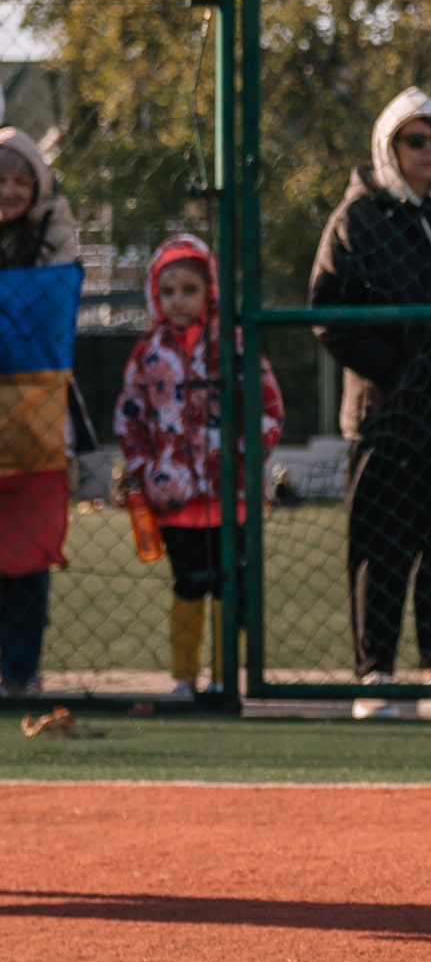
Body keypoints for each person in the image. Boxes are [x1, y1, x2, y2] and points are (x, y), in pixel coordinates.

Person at [310, 87, 431, 722]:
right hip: (382, 419)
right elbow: (329, 315)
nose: (428, 151)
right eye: (413, 139)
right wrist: (397, 372)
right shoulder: (354, 219)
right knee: (379, 551)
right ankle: (376, 681)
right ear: (388, 146)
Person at [113, 235, 283, 700]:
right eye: (167, 291)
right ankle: (184, 678)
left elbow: (268, 407)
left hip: (233, 495)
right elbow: (131, 419)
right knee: (188, 585)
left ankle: (227, 677)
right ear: (154, 294)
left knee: (233, 589)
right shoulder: (148, 353)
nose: (177, 301)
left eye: (188, 289)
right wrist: (147, 470)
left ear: (210, 290)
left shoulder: (235, 343)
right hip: (175, 498)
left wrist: (244, 457)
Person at [0, 126, 79, 698]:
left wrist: (52, 214)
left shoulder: (54, 239)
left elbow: (52, 307)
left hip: (34, 411)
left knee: (27, 548)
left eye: (20, 181)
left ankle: (22, 669)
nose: (8, 192)